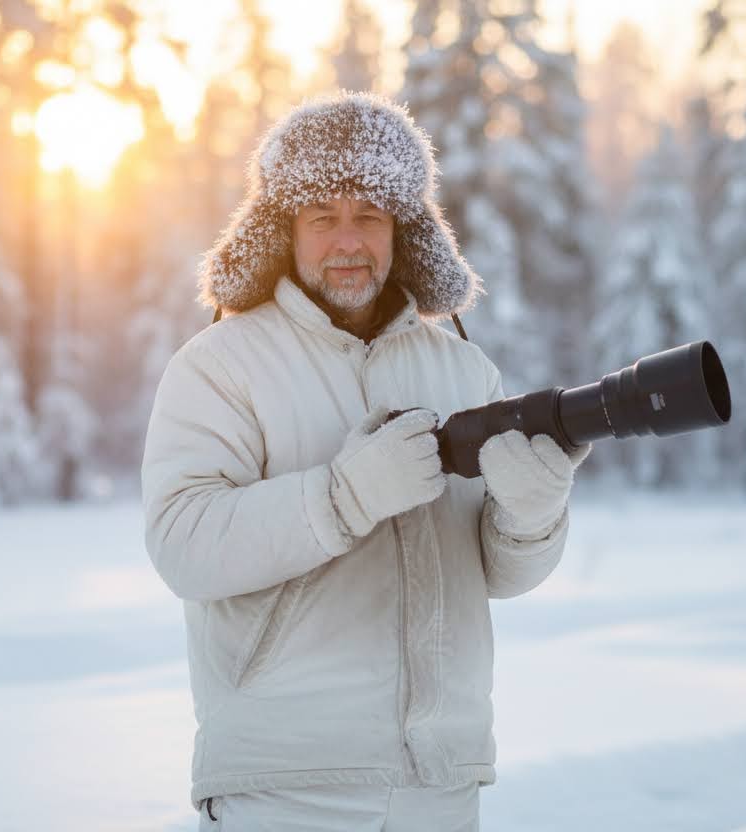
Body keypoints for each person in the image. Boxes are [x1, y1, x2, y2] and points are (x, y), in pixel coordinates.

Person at [141, 92, 590, 831]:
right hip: (285, 788)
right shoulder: (220, 365)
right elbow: (183, 546)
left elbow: (503, 577)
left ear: (404, 230)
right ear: (284, 230)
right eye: (323, 217)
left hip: (441, 787)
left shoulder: (465, 371)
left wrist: (534, 517)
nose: (348, 241)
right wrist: (342, 498)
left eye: (370, 217)